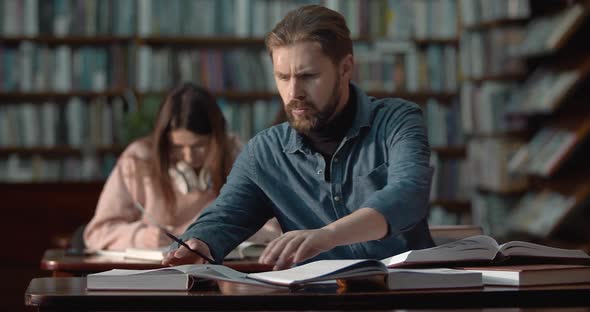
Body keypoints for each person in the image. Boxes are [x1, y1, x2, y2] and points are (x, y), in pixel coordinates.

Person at [163, 5, 434, 270]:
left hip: (403, 294)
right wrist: (199, 242)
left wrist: (328, 235)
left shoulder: (397, 120)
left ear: (345, 68)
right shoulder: (265, 151)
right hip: (315, 298)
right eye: (282, 77)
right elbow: (225, 215)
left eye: (308, 76)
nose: (293, 92)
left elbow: (408, 194)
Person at [84, 83, 281, 250]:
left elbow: (276, 228)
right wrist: (141, 237)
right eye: (177, 147)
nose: (188, 156)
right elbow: (97, 233)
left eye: (199, 146)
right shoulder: (137, 160)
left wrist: (236, 233)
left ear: (218, 139)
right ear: (163, 142)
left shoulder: (239, 155)